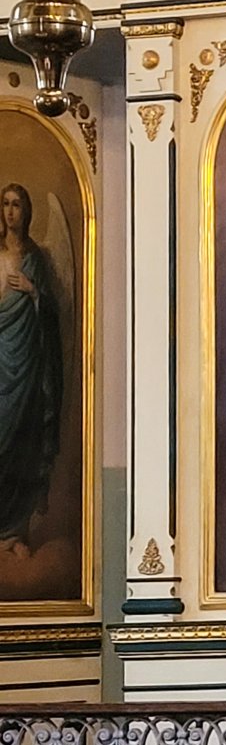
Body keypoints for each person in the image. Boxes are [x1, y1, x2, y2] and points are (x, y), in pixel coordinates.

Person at [0, 181, 64, 556]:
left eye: (17, 206)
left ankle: (15, 531)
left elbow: (51, 314)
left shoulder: (35, 259)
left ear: (27, 212)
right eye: (6, 205)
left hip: (26, 364)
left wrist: (32, 290)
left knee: (22, 442)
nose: (10, 212)